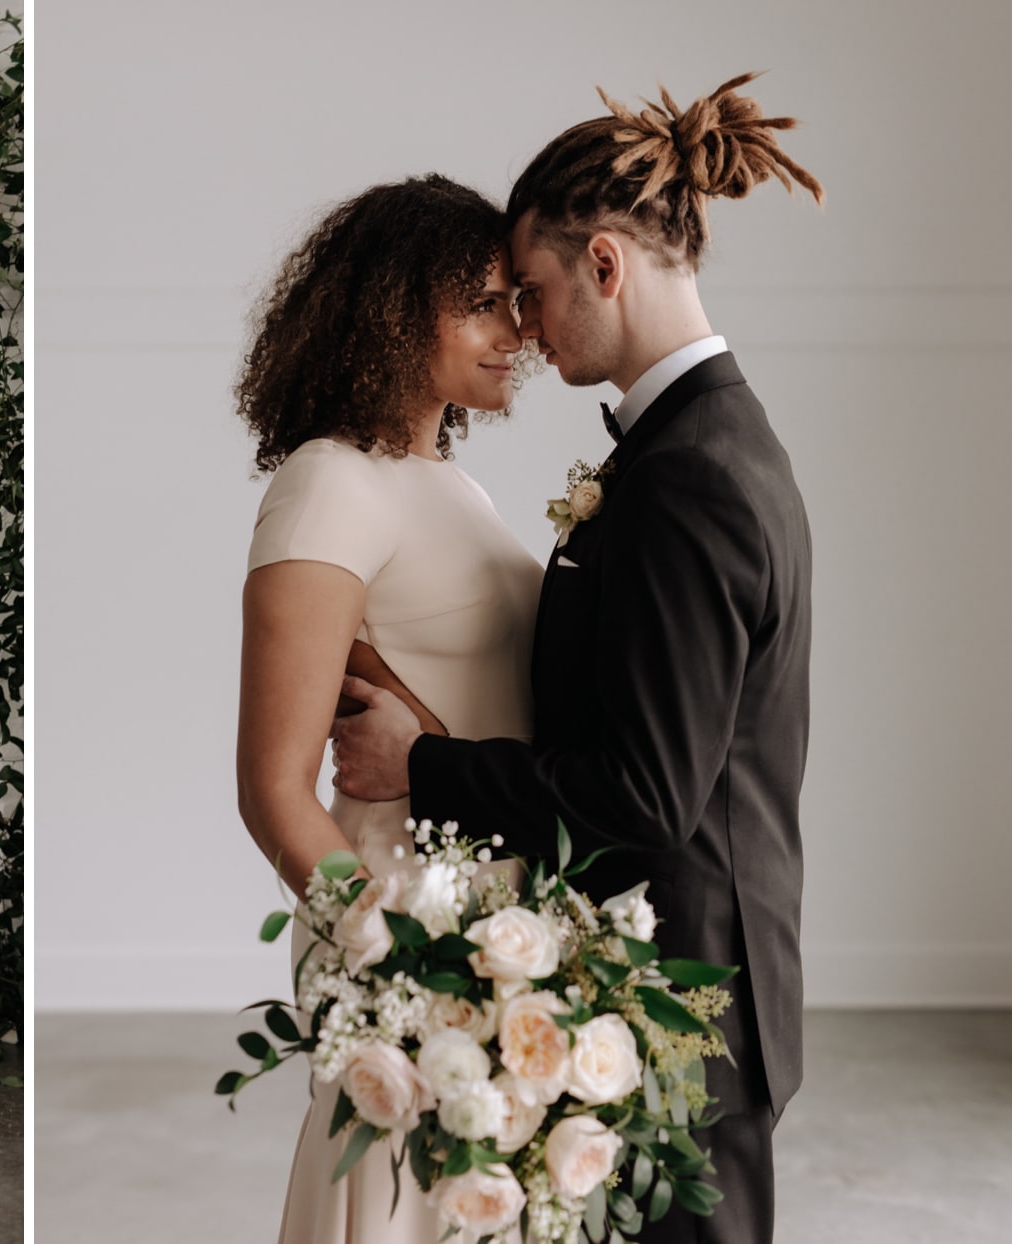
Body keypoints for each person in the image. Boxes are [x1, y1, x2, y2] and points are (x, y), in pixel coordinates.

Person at [331, 74, 821, 1244]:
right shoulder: (701, 441)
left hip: (683, 1009)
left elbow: (644, 795)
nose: (528, 330)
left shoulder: (687, 478)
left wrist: (425, 764)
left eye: (536, 293)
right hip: (677, 988)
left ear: (605, 264)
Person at [234, 174, 542, 1243]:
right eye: (485, 302)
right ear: (397, 310)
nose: (519, 329)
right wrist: (387, 958)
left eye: (516, 298)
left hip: (501, 917)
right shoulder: (327, 485)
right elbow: (272, 787)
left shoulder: (448, 482)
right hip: (412, 931)